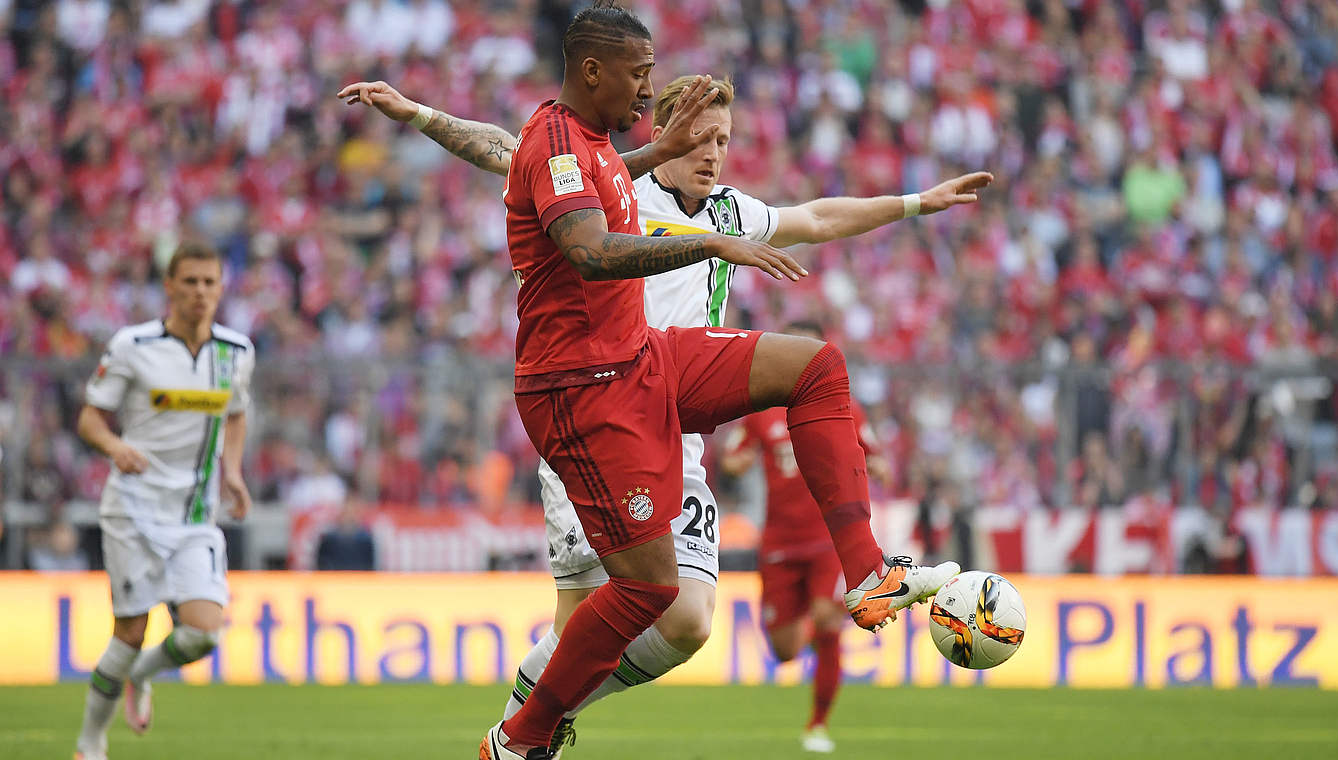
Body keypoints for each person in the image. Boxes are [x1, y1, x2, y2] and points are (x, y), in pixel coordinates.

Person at [345, 4, 970, 757]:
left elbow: (817, 217)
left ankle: (866, 572)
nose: (713, 155)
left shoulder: (713, 200)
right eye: (700, 138)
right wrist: (415, 112)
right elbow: (508, 158)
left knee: (691, 617)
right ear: (658, 127)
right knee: (598, 614)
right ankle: (526, 729)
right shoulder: (596, 174)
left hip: (665, 390)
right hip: (595, 402)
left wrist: (913, 202)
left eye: (724, 142)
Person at [72, 243, 254, 760]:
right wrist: (114, 446)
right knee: (129, 630)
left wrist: (233, 472)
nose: (199, 292)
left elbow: (236, 413)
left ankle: (143, 676)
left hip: (196, 512)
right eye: (190, 281)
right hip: (133, 506)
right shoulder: (133, 345)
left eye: (209, 283)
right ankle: (90, 745)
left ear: (221, 289)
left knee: (203, 634)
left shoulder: (236, 351)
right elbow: (89, 417)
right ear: (169, 287)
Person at [722, 320, 890, 753]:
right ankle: (824, 626)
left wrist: (874, 468)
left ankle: (817, 724)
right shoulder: (762, 411)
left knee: (827, 618)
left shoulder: (845, 407)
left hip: (826, 538)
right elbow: (734, 459)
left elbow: (876, 457)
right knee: (783, 651)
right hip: (778, 540)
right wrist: (736, 460)